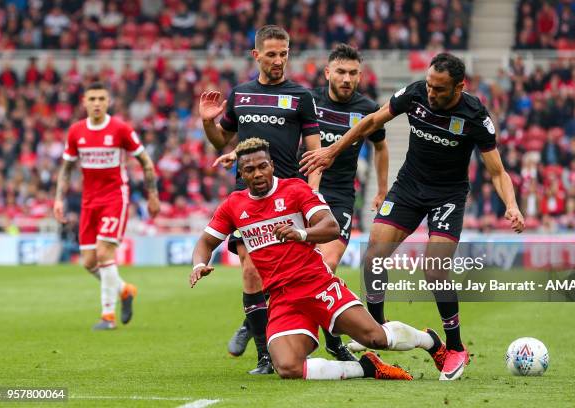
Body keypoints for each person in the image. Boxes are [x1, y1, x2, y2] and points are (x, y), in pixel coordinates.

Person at [300, 53, 525, 381]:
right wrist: (331, 152)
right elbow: (372, 122)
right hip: (408, 188)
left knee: (434, 268)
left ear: (459, 87)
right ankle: (376, 329)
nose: (431, 94)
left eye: (440, 89)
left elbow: (498, 171)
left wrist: (512, 205)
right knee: (374, 256)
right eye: (430, 86)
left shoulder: (475, 115)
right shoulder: (416, 93)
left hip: (447, 196)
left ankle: (456, 346)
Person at [190, 138, 443, 380]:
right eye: (249, 169)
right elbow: (205, 242)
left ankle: (429, 340)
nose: (257, 174)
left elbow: (331, 226)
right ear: (241, 174)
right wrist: (199, 264)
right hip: (282, 297)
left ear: (272, 166)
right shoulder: (234, 205)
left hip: (317, 285)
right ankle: (366, 368)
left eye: (262, 166)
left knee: (377, 338)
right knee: (288, 368)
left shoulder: (295, 189)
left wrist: (302, 233)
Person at [198, 25, 321, 374]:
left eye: (284, 53)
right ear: (256, 56)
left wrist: (313, 197)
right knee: (251, 272)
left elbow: (315, 154)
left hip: (289, 198)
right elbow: (220, 141)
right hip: (248, 199)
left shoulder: (301, 97)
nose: (279, 60)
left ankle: (288, 332)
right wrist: (208, 123)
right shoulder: (240, 94)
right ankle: (265, 356)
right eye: (271, 54)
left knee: (290, 276)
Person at [305, 44, 389, 361]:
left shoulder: (367, 108)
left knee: (326, 265)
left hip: (340, 195)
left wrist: (381, 189)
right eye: (341, 72)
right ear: (328, 72)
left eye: (353, 73)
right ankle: (259, 327)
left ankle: (332, 338)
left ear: (360, 75)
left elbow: (380, 148)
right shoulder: (308, 100)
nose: (347, 78)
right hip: (301, 191)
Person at [54, 82, 159, 330]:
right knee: (89, 262)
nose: (97, 103)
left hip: (115, 198)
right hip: (88, 202)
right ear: (84, 102)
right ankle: (125, 290)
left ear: (109, 101)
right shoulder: (76, 131)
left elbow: (145, 161)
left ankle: (107, 316)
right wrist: (58, 198)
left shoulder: (120, 128)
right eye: (92, 99)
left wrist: (152, 194)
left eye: (102, 98)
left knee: (104, 254)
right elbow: (66, 169)